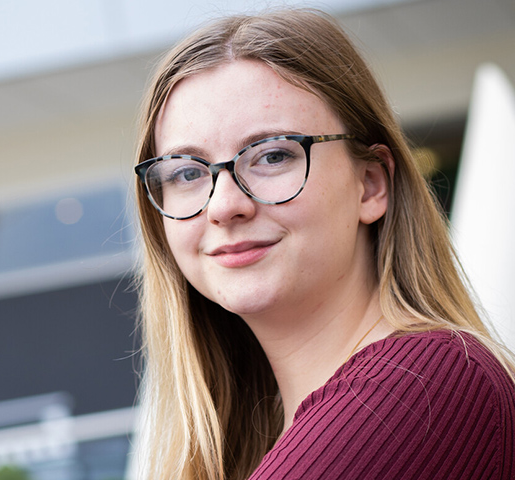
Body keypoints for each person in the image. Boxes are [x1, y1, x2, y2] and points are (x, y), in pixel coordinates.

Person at [131, 8, 515, 480]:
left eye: (273, 155)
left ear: (371, 185)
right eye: (187, 172)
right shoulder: (262, 438)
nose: (223, 205)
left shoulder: (423, 383)